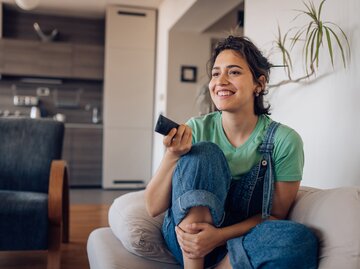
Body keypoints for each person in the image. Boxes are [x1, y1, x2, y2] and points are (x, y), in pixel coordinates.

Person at [145, 35, 318, 269]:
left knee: (300, 240)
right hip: (185, 243)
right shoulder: (196, 128)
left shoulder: (284, 140)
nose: (221, 81)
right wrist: (172, 155)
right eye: (216, 73)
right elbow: (153, 207)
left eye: (234, 72)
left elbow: (274, 216)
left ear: (260, 83)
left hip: (240, 240)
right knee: (205, 152)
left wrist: (218, 236)